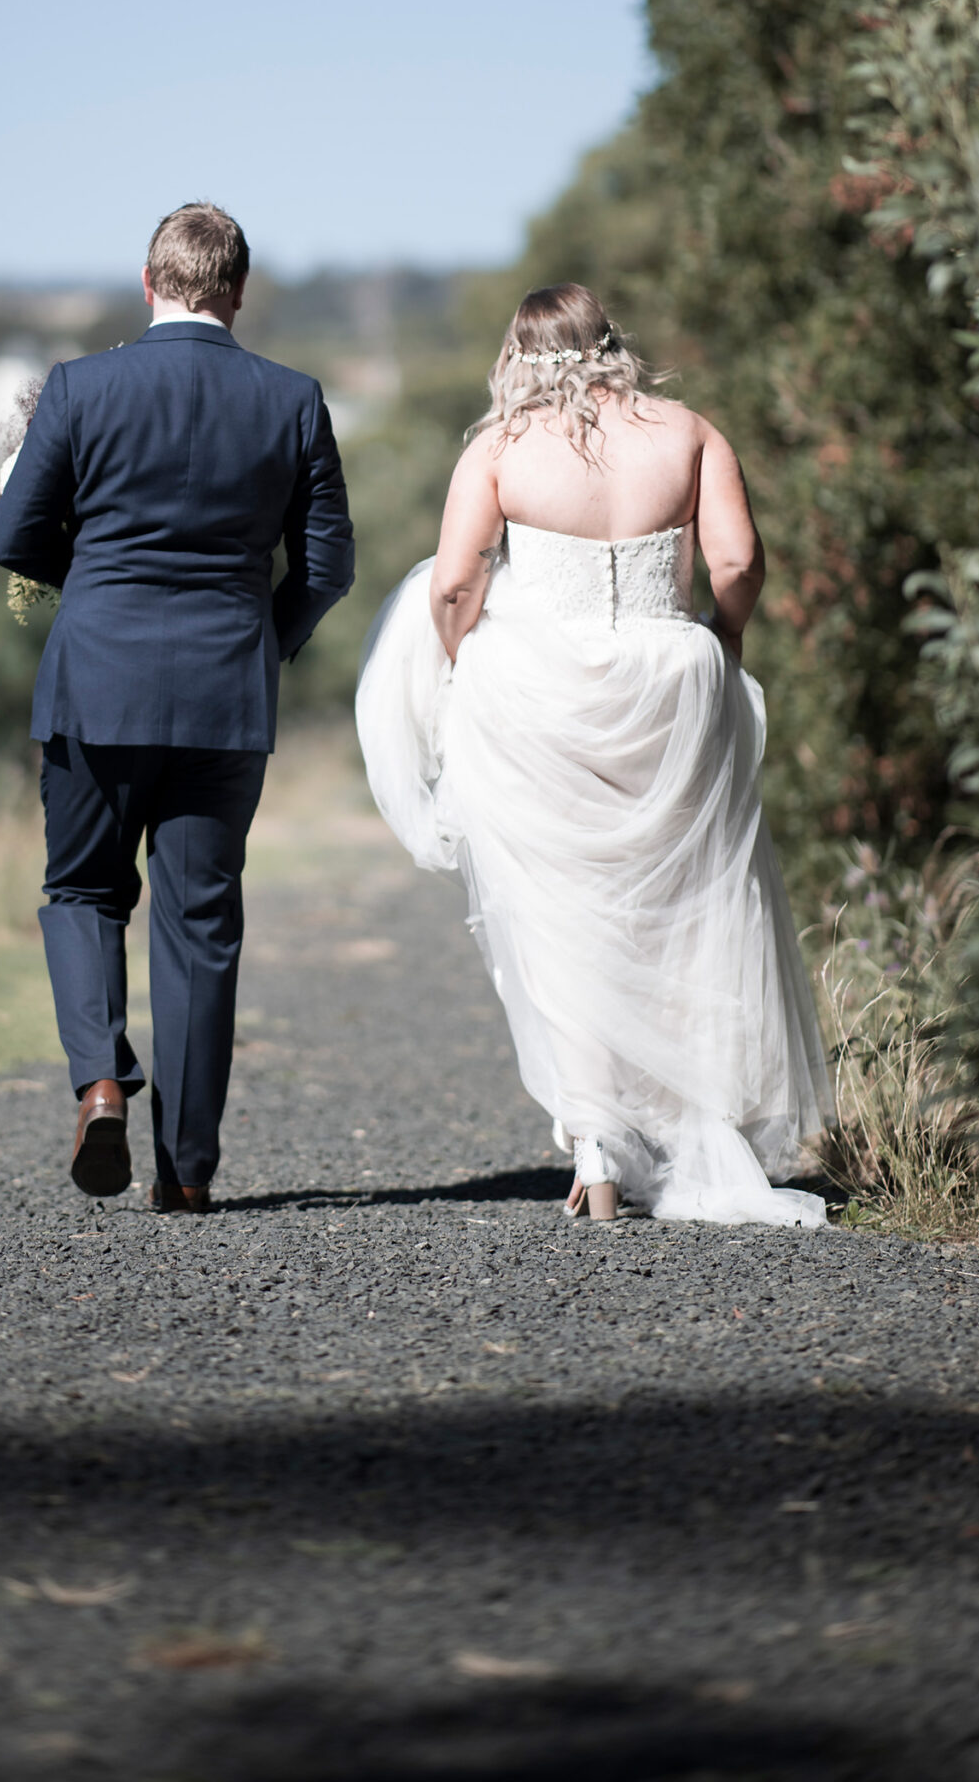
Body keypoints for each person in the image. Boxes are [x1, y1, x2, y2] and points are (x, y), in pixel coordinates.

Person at [355, 283, 830, 1226]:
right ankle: (702, 1132)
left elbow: (452, 584)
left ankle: (599, 1144)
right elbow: (735, 564)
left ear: (518, 355)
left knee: (557, 913)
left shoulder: (500, 447)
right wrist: (718, 648)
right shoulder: (688, 431)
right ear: (609, 342)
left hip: (536, 692)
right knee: (686, 908)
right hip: (670, 684)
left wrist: (465, 672)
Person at [0, 203, 354, 1212]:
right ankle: (186, 1174)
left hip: (95, 687)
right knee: (199, 926)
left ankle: (101, 1080)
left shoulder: (79, 388)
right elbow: (327, 566)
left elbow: (12, 539)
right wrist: (261, 640)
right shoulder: (292, 398)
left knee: (83, 893)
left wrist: (98, 585)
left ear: (146, 283)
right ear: (237, 293)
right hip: (224, 696)